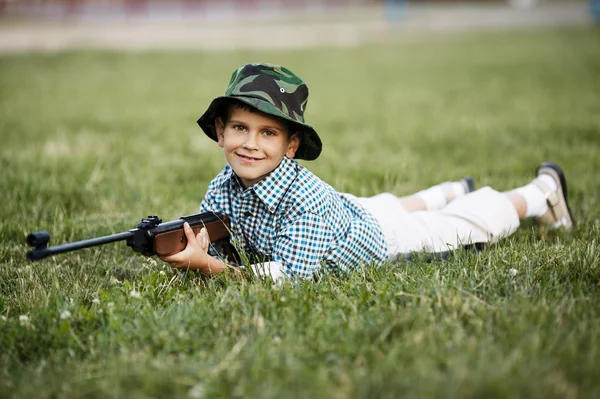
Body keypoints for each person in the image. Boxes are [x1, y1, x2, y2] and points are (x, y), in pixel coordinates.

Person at [159, 63, 574, 281]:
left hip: (379, 241)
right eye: (239, 128)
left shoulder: (305, 199)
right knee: (385, 205)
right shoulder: (222, 186)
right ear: (220, 131)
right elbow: (214, 239)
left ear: (291, 146)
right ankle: (450, 188)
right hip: (348, 211)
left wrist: (206, 267)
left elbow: (289, 279)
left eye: (268, 132)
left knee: (461, 224)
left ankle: (541, 192)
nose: (250, 143)